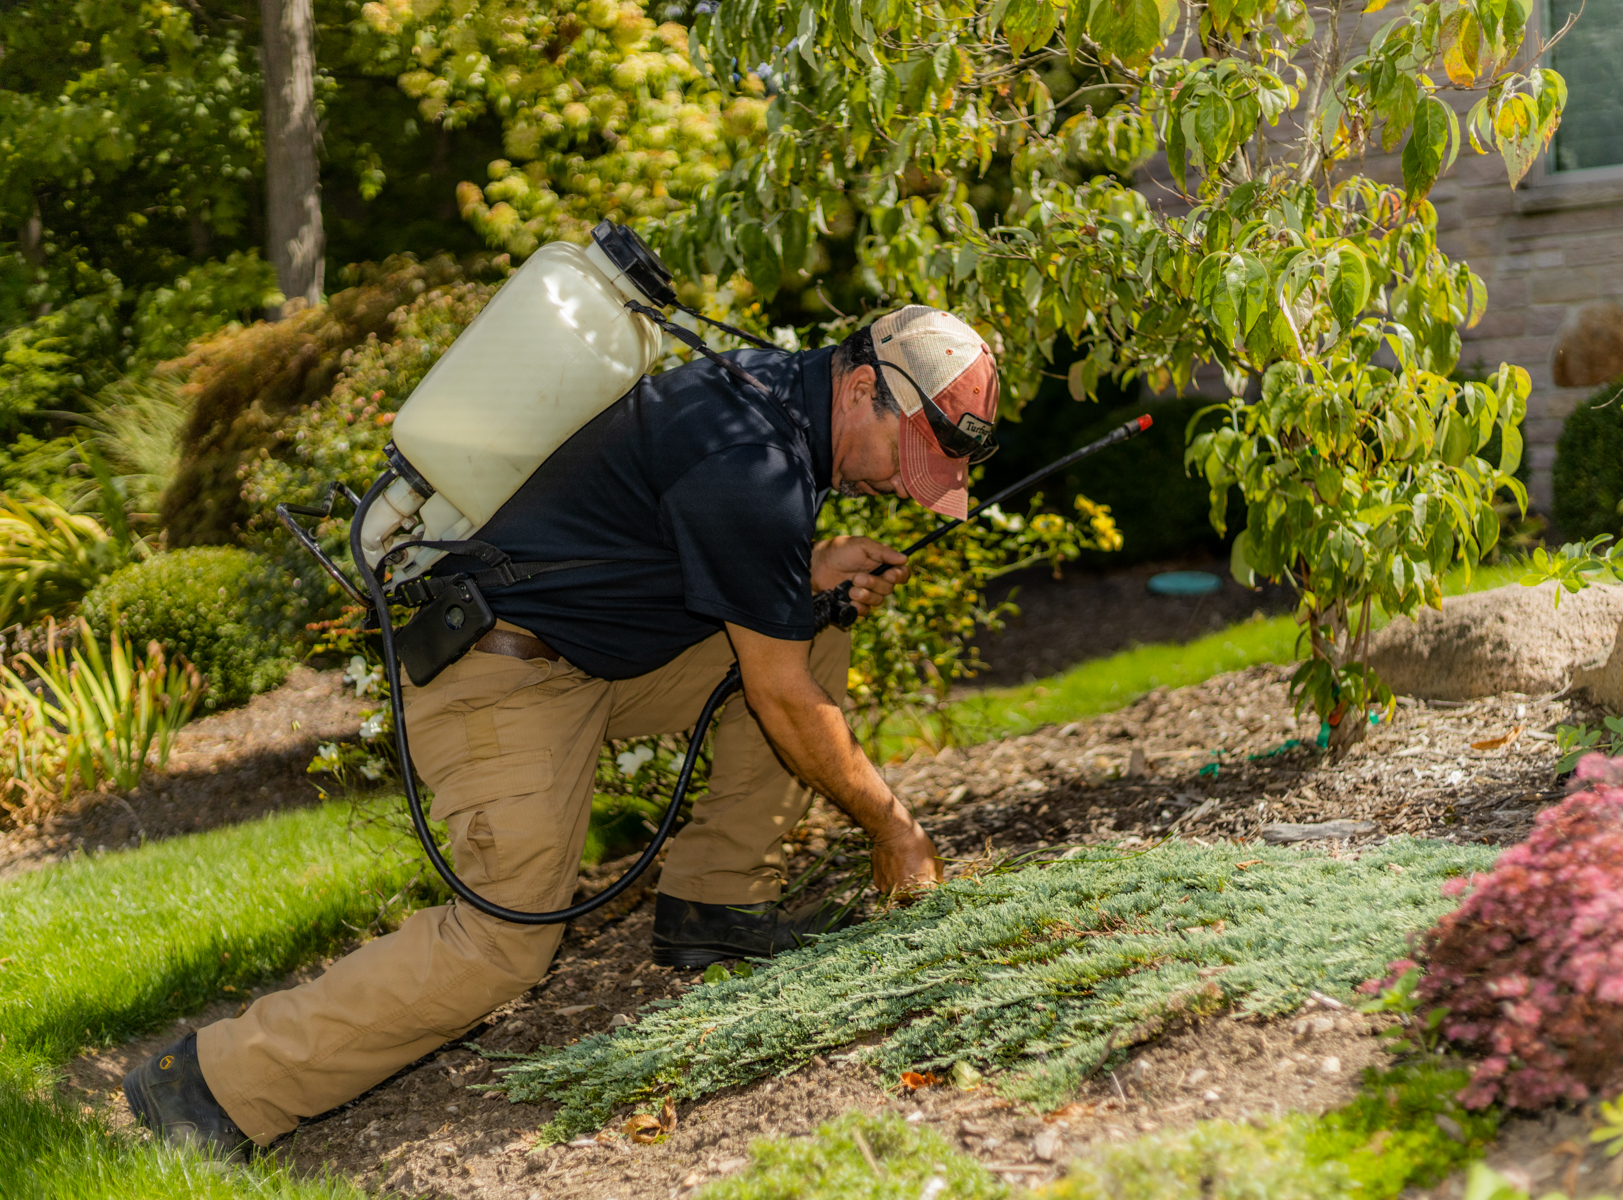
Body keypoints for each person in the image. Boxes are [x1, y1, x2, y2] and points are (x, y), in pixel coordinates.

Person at [121, 304, 1002, 1159]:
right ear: (860, 390)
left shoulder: (769, 405)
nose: (901, 485)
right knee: (503, 944)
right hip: (495, 678)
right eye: (906, 457)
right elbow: (777, 691)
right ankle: (210, 1086)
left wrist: (808, 574)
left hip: (584, 662)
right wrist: (894, 827)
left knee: (813, 629)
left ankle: (717, 903)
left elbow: (664, 555)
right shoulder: (749, 453)